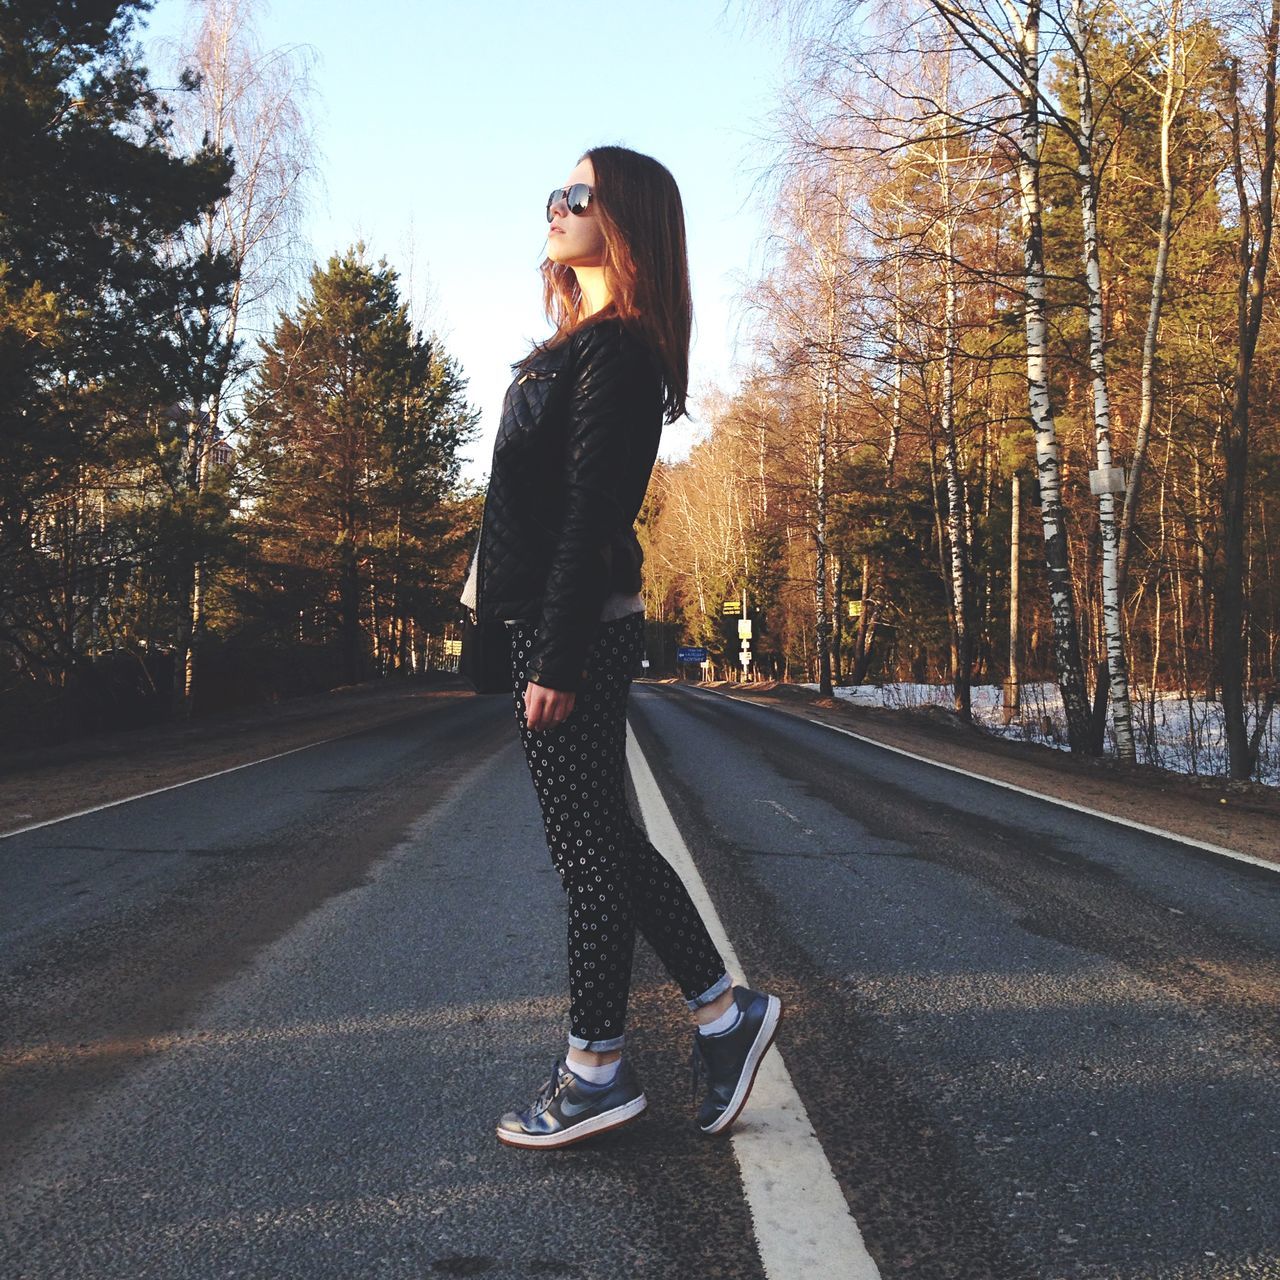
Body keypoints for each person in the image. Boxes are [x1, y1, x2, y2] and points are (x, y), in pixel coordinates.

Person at [461, 145, 782, 1149]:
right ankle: (725, 1018)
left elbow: (587, 521)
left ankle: (595, 1067)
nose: (555, 207)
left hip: (574, 634)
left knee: (586, 856)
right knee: (604, 845)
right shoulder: (578, 345)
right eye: (554, 193)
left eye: (578, 195)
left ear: (626, 221)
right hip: (544, 625)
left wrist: (552, 657)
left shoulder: (618, 354)